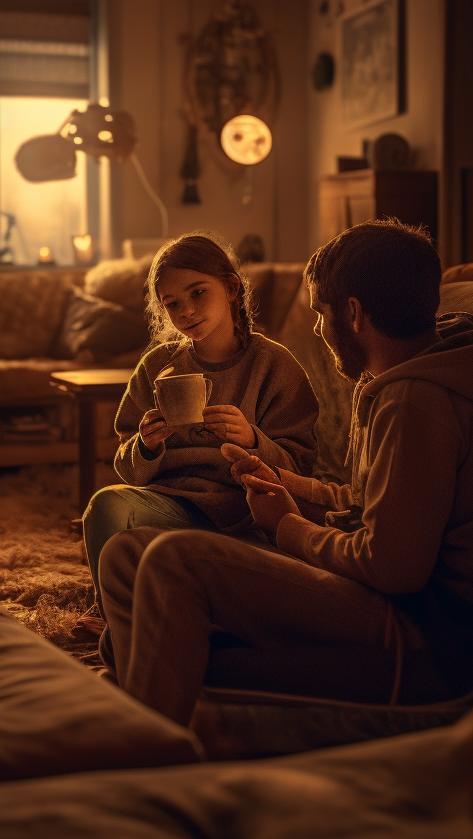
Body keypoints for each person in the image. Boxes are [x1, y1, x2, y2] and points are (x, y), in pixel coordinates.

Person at [97, 220, 473, 724]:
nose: (318, 329)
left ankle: (146, 745)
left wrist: (288, 527)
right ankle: (154, 700)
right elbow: (381, 503)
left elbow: (393, 565)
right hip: (403, 603)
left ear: (352, 313)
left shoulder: (416, 401)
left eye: (320, 313)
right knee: (128, 556)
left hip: (436, 630)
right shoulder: (409, 380)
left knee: (174, 561)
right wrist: (286, 484)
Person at [78, 233, 319, 632]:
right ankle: (115, 619)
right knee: (105, 506)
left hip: (245, 517)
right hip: (171, 508)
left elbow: (302, 471)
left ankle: (159, 603)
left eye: (198, 293)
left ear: (230, 287)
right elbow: (126, 464)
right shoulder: (157, 365)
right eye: (172, 304)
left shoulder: (275, 366)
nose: (186, 311)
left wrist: (253, 439)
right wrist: (146, 445)